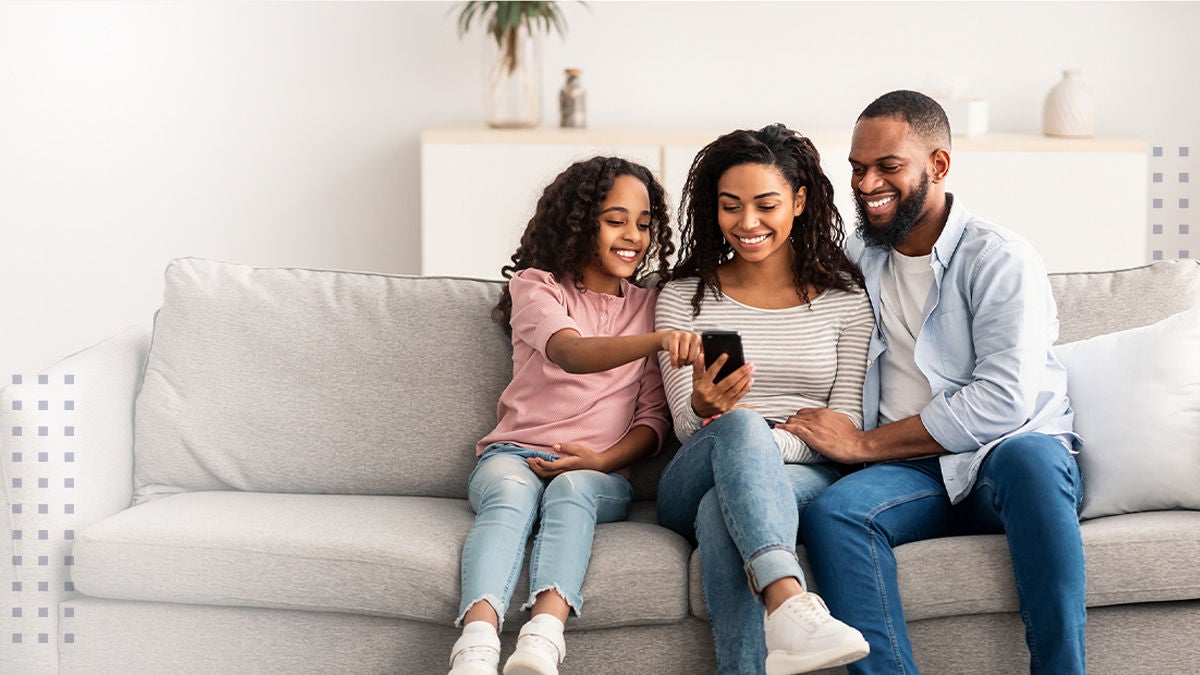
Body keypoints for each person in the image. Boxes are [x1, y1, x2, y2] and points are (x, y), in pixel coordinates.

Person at [786, 90, 1085, 674]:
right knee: (838, 513)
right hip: (914, 470)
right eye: (856, 167)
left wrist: (865, 444)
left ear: (939, 165)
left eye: (887, 167)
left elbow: (1003, 401)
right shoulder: (856, 262)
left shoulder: (999, 259)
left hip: (1005, 456)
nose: (866, 182)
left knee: (1030, 460)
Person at [448, 156, 703, 675]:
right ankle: (475, 643)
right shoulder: (537, 286)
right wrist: (655, 342)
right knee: (511, 495)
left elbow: (653, 423)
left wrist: (602, 460)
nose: (633, 234)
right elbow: (571, 352)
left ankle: (543, 638)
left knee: (572, 491)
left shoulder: (650, 304)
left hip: (598, 469)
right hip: (513, 454)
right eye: (615, 220)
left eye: (644, 222)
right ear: (579, 221)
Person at [655, 123, 874, 675]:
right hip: (695, 469)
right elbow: (686, 426)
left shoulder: (846, 302)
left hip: (803, 472)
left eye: (765, 205)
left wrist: (760, 446)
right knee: (740, 432)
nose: (746, 224)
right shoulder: (683, 298)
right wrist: (710, 411)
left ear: (799, 202)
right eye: (731, 207)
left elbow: (842, 428)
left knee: (721, 511)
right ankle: (788, 603)